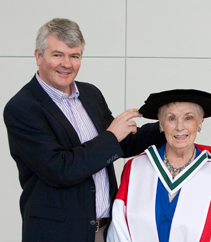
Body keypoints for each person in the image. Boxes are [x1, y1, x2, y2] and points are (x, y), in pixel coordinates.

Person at [3, 18, 165, 242]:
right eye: (57, 54)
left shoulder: (90, 94)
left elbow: (120, 144)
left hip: (103, 231)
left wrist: (168, 125)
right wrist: (111, 136)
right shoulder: (22, 108)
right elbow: (60, 169)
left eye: (75, 56)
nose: (67, 64)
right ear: (39, 56)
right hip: (58, 235)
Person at [107, 89, 211, 242]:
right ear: (161, 124)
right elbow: (119, 228)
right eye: (171, 118)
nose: (180, 127)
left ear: (200, 122)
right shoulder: (135, 168)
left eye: (188, 118)